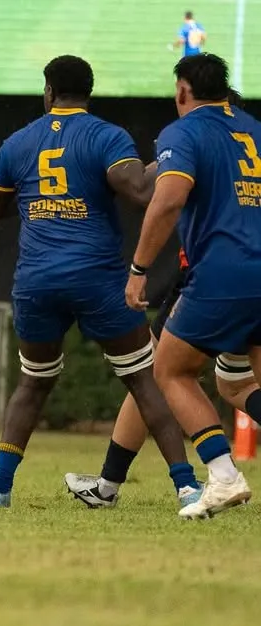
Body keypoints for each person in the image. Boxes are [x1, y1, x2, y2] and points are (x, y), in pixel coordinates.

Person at [0, 55, 199, 509]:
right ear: (89, 92)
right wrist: (167, 161)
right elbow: (139, 193)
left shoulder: (18, 143)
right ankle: (187, 486)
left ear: (48, 90)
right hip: (96, 278)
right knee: (142, 380)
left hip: (36, 280)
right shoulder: (107, 136)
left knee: (33, 383)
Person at [66, 89, 261, 508]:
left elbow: (157, 191)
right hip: (249, 276)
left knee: (164, 371)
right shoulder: (247, 141)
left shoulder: (196, 136)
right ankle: (109, 483)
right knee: (232, 382)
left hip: (210, 281)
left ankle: (199, 478)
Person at [126, 53, 261, 519]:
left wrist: (139, 268)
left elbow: (167, 202)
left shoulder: (182, 132)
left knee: (171, 370)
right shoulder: (255, 130)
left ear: (183, 90)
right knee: (243, 381)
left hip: (224, 273)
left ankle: (223, 476)